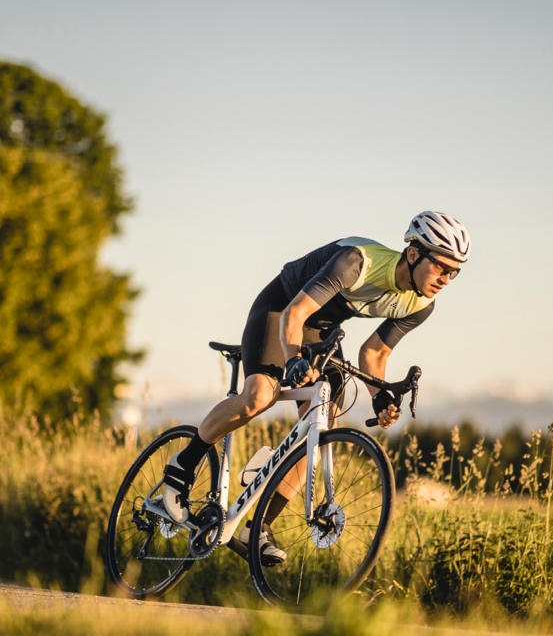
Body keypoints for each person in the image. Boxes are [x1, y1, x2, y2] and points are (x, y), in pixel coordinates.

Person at [162, 210, 471, 563]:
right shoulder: (358, 261)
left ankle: (256, 526)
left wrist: (380, 397)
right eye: (442, 267)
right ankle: (183, 465)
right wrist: (293, 358)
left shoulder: (421, 304)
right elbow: (295, 314)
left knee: (323, 424)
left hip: (321, 331)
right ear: (414, 254)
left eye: (455, 271)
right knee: (261, 394)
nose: (447, 278)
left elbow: (374, 351)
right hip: (281, 310)